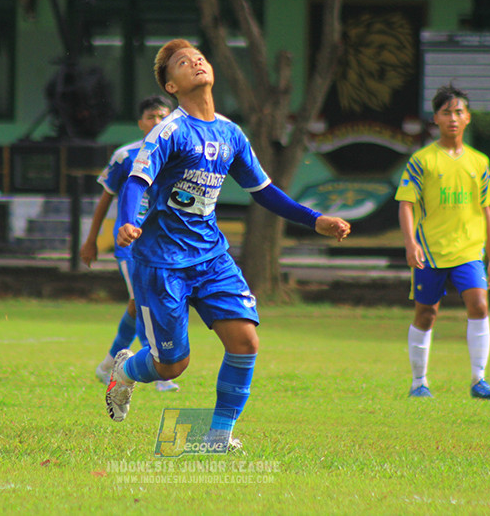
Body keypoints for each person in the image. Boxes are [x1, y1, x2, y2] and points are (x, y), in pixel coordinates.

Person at [104, 39, 351, 451]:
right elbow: (136, 180)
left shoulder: (230, 133)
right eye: (183, 62)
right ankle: (126, 372)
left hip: (211, 257)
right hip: (162, 263)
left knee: (245, 341)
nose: (196, 62)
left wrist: (315, 220)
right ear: (171, 86)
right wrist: (128, 221)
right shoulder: (170, 131)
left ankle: (218, 436)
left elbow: (263, 190)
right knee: (172, 366)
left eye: (199, 57)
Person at [395, 83, 490, 400]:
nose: (453, 118)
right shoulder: (422, 161)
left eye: (458, 112)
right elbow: (405, 204)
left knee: (479, 305)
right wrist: (410, 243)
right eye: (446, 112)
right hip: (430, 251)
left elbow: (486, 209)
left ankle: (479, 380)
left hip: (469, 250)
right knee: (426, 314)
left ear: (468, 117)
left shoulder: (479, 162)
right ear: (436, 119)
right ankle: (419, 383)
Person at [81, 94, 180, 393]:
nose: (157, 121)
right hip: (130, 242)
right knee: (144, 300)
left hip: (162, 241)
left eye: (163, 116)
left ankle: (107, 364)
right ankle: (161, 373)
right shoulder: (125, 156)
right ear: (140, 123)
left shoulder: (178, 154)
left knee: (139, 304)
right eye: (151, 117)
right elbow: (105, 198)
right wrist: (91, 240)